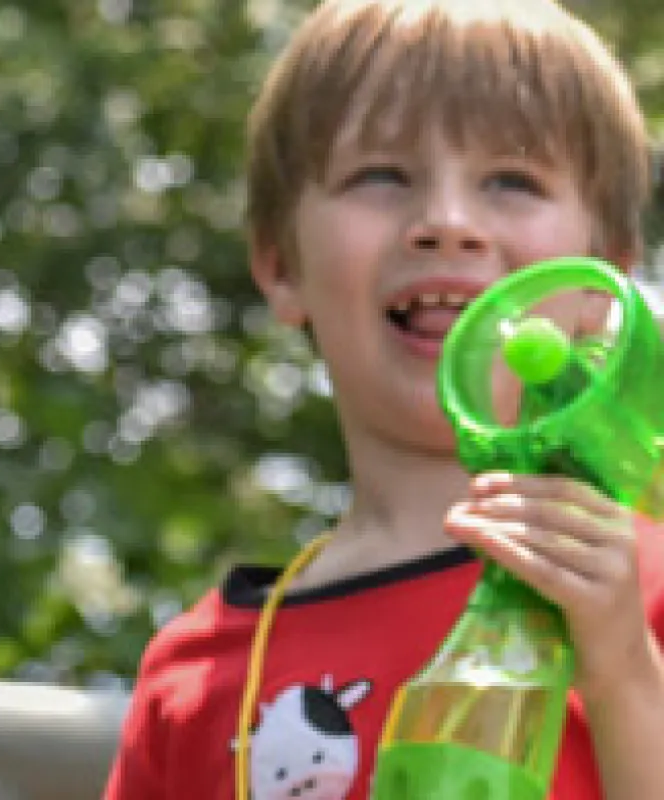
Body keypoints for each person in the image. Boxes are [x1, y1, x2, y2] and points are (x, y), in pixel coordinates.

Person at [104, 2, 664, 798]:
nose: (446, 223)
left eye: (513, 180)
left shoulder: (647, 592)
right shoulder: (193, 675)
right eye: (381, 176)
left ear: (599, 283)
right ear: (281, 266)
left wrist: (620, 673)